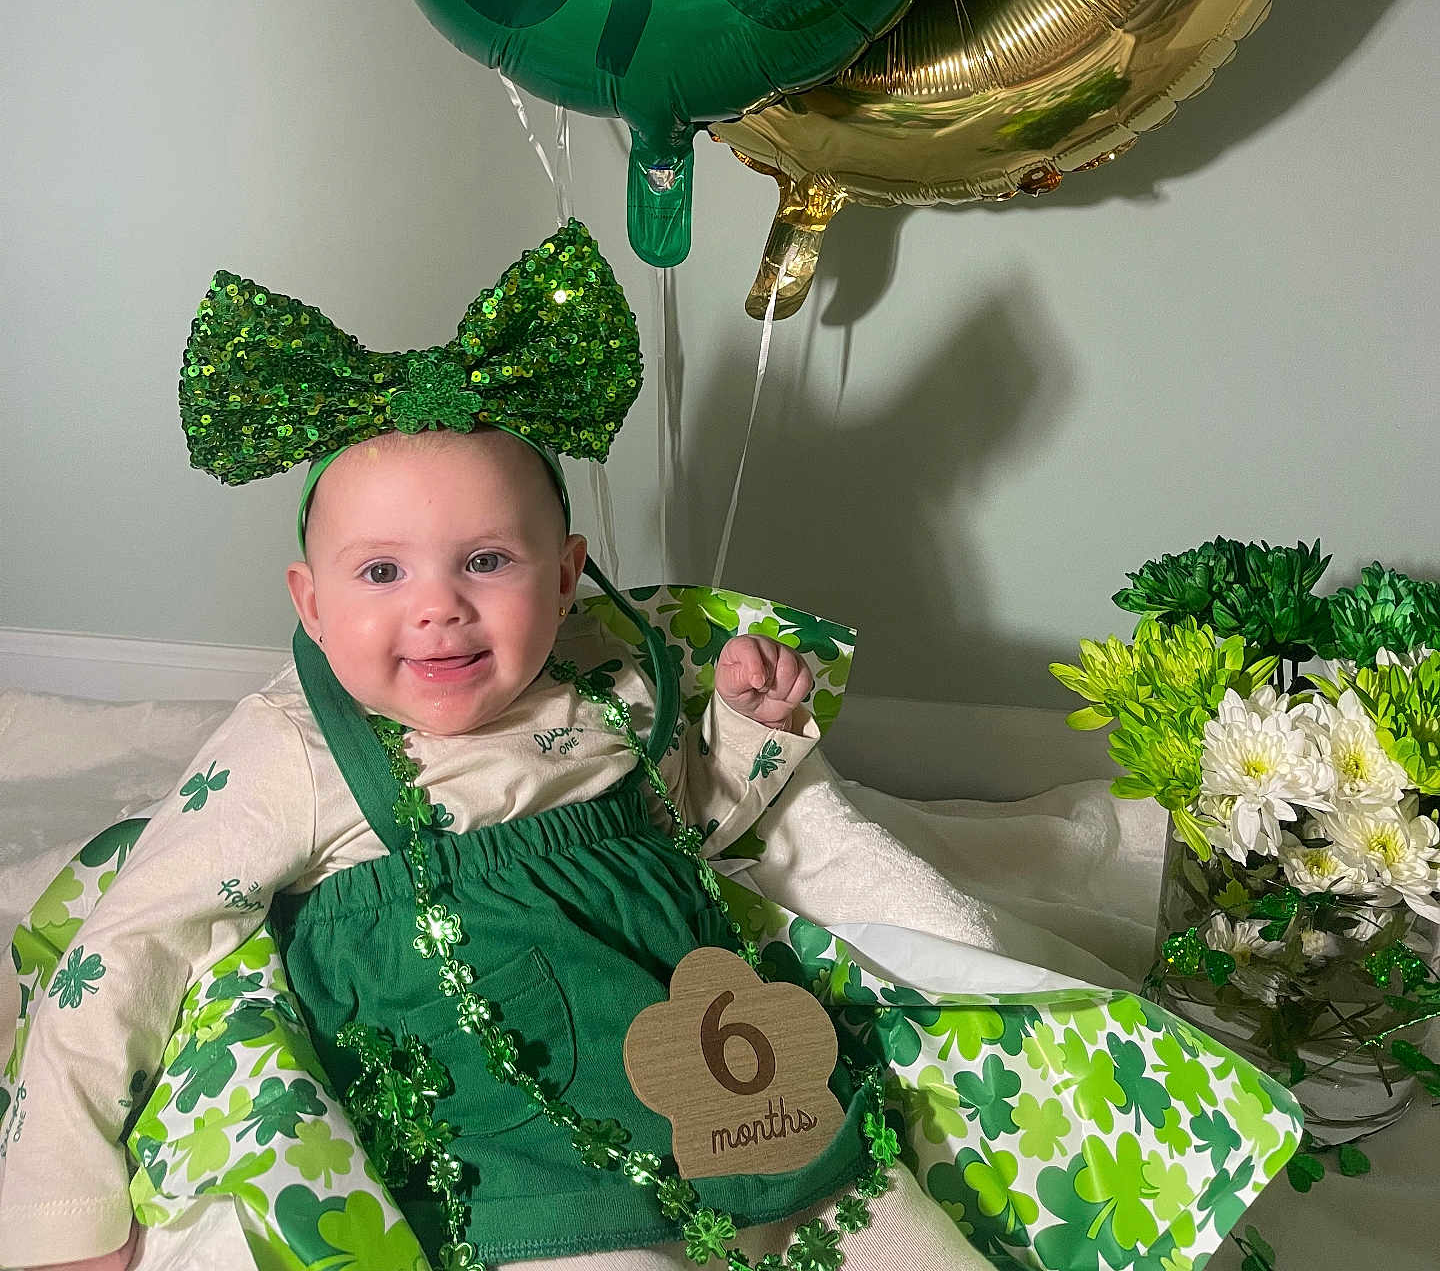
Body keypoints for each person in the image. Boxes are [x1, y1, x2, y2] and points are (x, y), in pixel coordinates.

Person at [0, 223, 989, 1271]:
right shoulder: (293, 746)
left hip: (730, 1082)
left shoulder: (608, 683)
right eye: (381, 574)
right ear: (313, 603)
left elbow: (679, 835)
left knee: (883, 1224)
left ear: (565, 579)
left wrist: (746, 732)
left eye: (484, 561)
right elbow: (134, 943)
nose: (439, 610)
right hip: (511, 1141)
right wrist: (59, 1200)